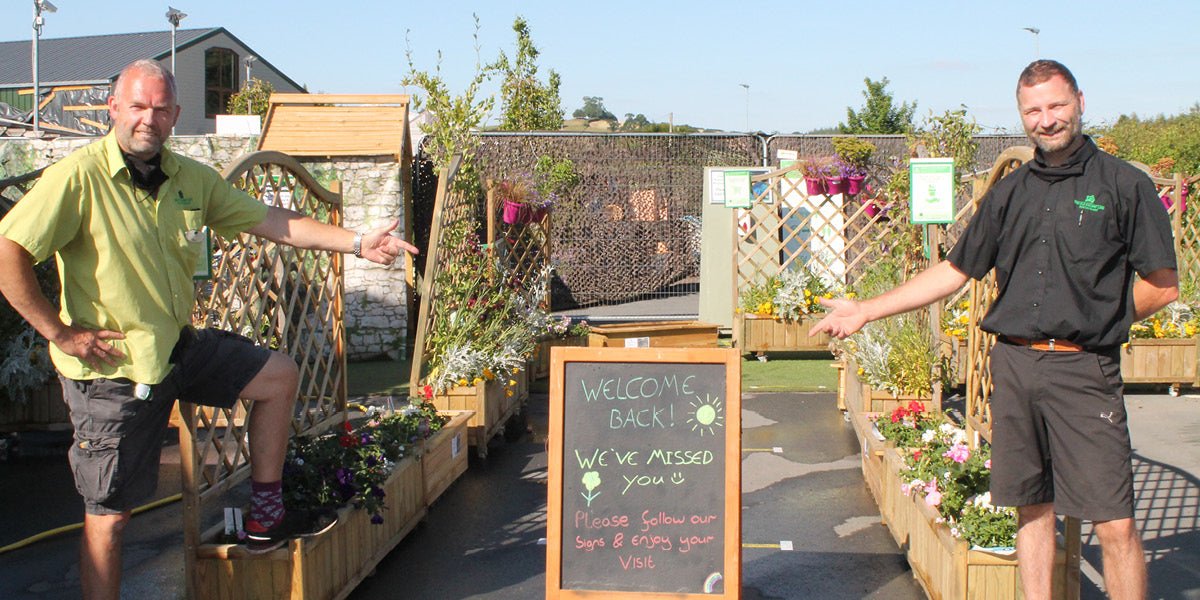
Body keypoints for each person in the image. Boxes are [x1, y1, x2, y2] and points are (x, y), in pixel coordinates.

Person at [0, 59, 418, 600]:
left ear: (174, 114)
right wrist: (59, 332)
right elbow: (9, 249)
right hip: (113, 371)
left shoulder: (188, 179)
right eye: (136, 106)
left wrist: (359, 242)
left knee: (278, 375)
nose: (147, 119)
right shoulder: (77, 178)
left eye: (158, 108)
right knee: (110, 519)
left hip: (176, 349)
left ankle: (266, 512)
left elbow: (274, 221)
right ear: (113, 109)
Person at [812, 59, 1177, 600]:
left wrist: (1100, 322)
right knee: (1031, 508)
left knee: (1114, 522)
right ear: (1021, 115)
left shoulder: (1124, 185)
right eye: (1033, 110)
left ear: (1080, 101)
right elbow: (955, 270)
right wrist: (867, 308)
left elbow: (1162, 285)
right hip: (1015, 366)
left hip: (1085, 369)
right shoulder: (1010, 193)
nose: (1046, 119)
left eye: (1056, 105)